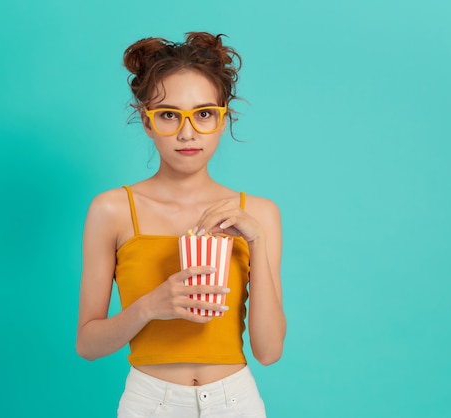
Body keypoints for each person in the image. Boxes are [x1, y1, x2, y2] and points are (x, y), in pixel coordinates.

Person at [76, 32, 286, 418]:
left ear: (223, 119)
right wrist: (150, 307)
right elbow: (88, 344)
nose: (187, 132)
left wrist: (256, 243)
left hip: (236, 402)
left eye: (204, 114)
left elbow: (269, 352)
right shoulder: (112, 210)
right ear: (146, 121)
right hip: (148, 402)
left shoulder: (259, 214)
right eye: (169, 114)